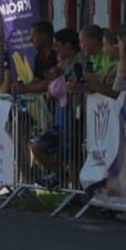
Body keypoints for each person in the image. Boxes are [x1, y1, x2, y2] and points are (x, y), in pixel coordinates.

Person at [30, 27, 85, 189]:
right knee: (40, 148)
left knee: (74, 156)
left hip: (74, 118)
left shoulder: (79, 63)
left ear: (68, 45)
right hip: (62, 117)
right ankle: (63, 175)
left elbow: (66, 90)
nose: (56, 48)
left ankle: (75, 188)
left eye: (58, 44)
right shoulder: (65, 64)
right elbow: (53, 93)